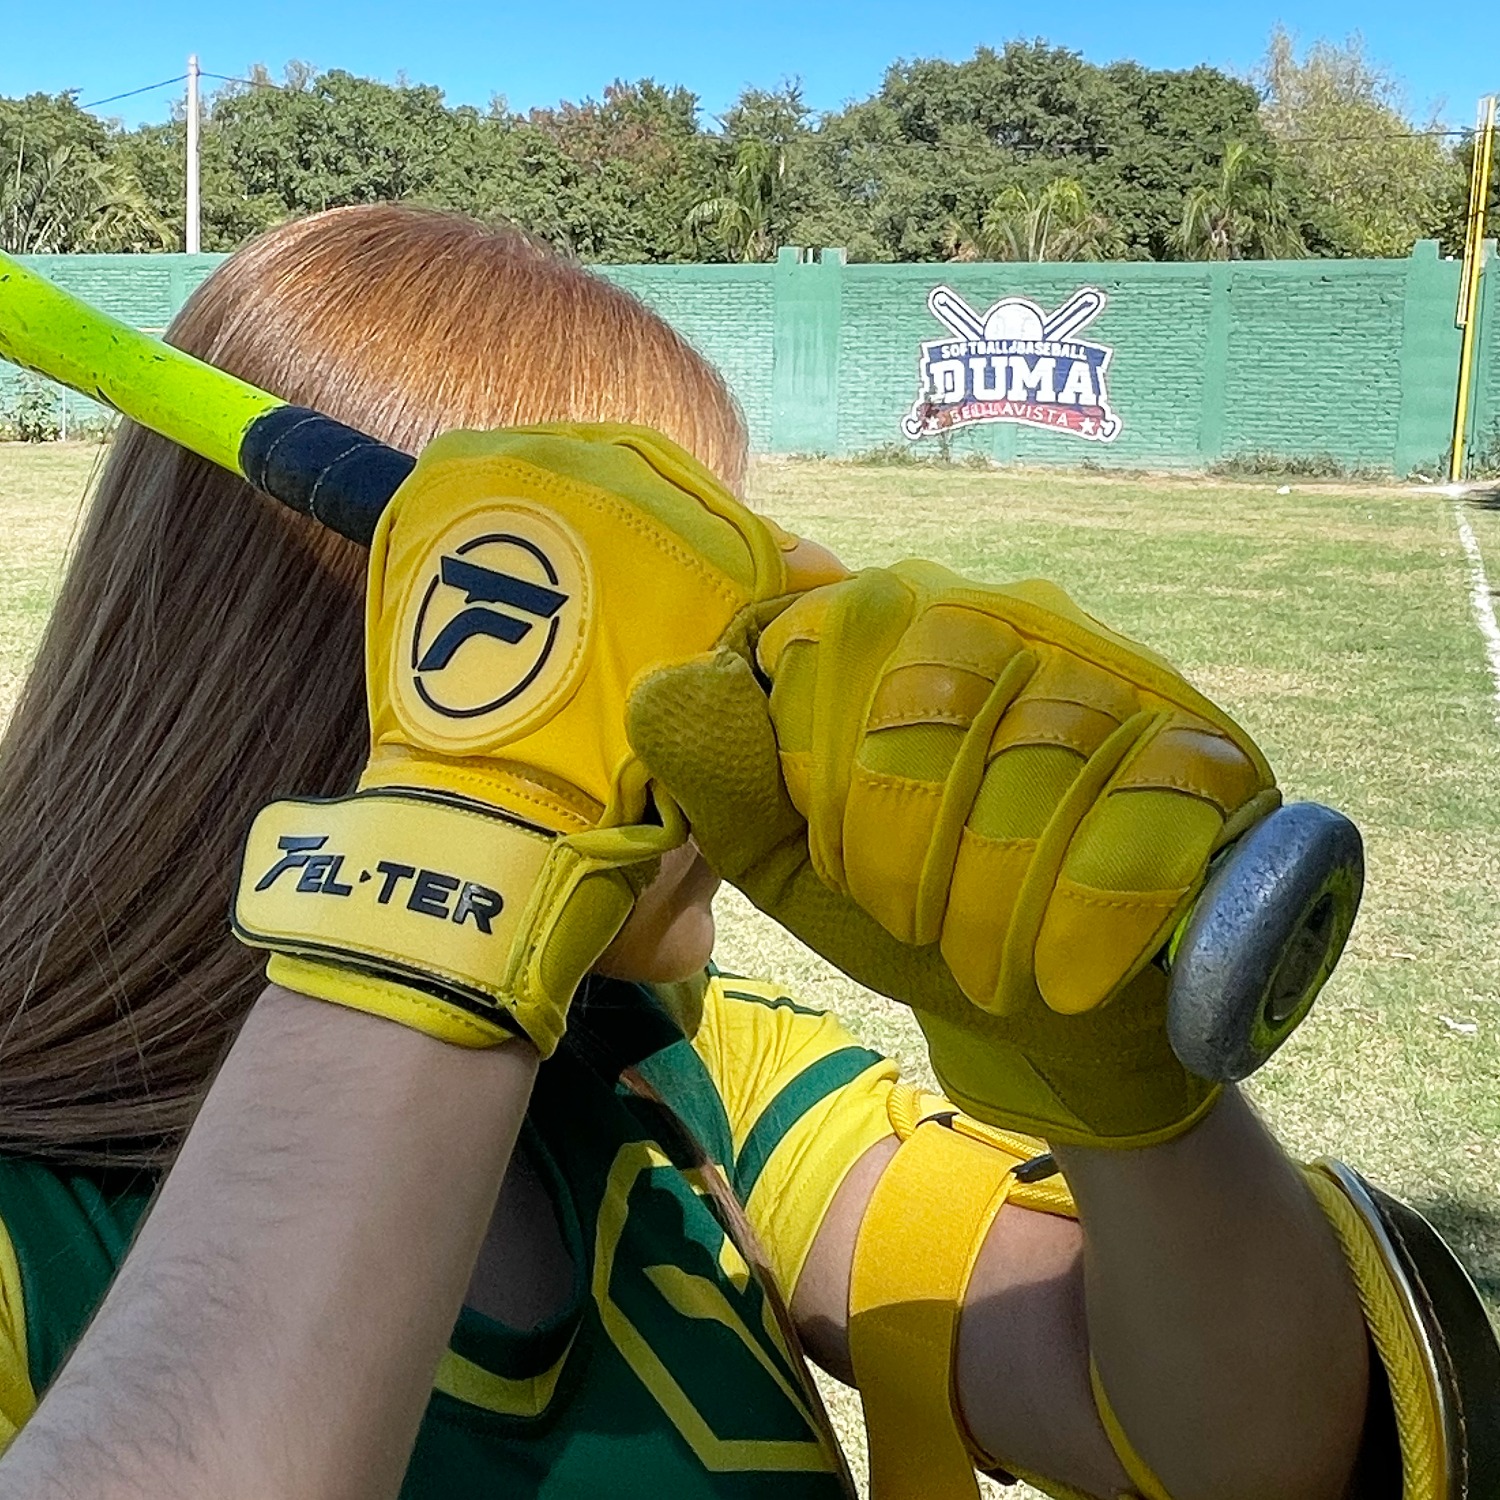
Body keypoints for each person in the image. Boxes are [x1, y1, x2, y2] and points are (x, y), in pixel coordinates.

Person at [0, 204, 1484, 1500]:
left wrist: (1113, 1089)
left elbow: (1257, 1451)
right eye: (668, 650)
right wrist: (461, 862)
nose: (743, 729)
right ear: (406, 673)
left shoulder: (687, 1076)